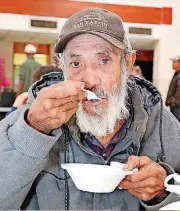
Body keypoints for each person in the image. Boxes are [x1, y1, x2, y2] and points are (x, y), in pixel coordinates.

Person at [0, 8, 180, 210]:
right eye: (76, 63)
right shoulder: (31, 116)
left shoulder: (159, 121)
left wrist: (162, 191)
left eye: (104, 61)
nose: (90, 81)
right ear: (62, 66)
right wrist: (34, 130)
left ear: (127, 64)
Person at [166, 56, 180, 121]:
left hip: (177, 106)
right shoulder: (176, 74)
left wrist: (172, 101)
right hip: (175, 105)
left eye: (174, 62)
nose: (172, 64)